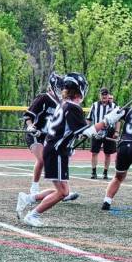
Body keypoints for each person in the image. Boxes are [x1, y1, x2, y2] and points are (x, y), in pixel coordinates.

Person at [16, 73, 122, 227]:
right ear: (81, 89)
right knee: (63, 192)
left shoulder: (64, 104)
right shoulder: (72, 107)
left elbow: (71, 131)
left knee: (61, 189)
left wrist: (69, 144)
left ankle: (28, 199)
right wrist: (107, 120)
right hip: (56, 152)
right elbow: (84, 132)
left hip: (57, 150)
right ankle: (33, 214)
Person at [22, 72, 78, 202]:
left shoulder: (65, 103)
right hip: (36, 134)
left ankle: (65, 191)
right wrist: (30, 126)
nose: (61, 91)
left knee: (62, 160)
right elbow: (28, 115)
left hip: (50, 138)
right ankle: (34, 188)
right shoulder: (44, 98)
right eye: (59, 88)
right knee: (42, 159)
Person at [87, 87, 118, 180]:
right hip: (97, 131)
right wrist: (85, 130)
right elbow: (89, 119)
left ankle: (105, 172)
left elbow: (118, 120)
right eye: (102, 94)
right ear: (100, 95)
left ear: (108, 95)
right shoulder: (95, 105)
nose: (104, 96)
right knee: (94, 152)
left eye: (106, 94)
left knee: (108, 154)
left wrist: (116, 131)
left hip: (109, 132)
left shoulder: (114, 106)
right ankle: (94, 172)